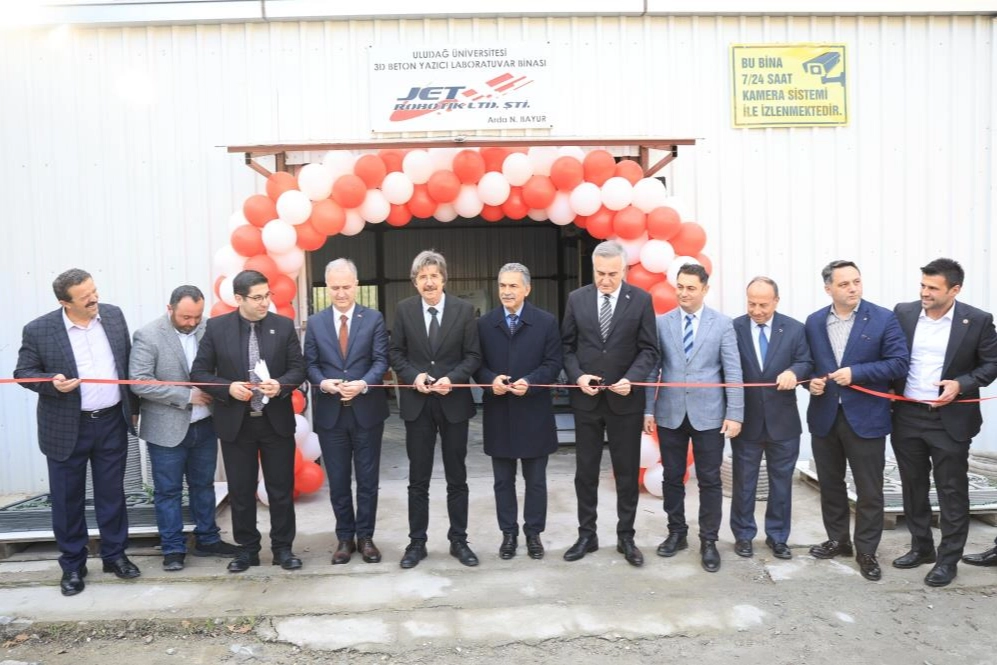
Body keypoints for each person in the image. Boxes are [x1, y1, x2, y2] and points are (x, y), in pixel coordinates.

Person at [14, 268, 141, 596]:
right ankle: (72, 565)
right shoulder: (39, 330)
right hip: (66, 427)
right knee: (67, 500)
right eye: (86, 297)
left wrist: (134, 409)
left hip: (111, 422)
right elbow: (24, 372)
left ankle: (115, 555)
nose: (95, 299)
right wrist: (52, 383)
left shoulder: (113, 316)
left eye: (94, 291)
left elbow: (125, 363)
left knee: (112, 494)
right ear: (65, 303)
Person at [190, 269, 306, 573]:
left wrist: (280, 384)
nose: (265, 302)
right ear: (238, 299)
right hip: (237, 423)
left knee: (280, 489)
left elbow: (298, 369)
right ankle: (247, 550)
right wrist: (227, 388)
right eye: (257, 298)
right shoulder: (217, 328)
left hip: (275, 421)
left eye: (267, 295)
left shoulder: (282, 326)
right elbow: (199, 373)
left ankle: (283, 549)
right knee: (241, 491)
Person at [891, 258, 997, 587]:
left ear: (955, 290)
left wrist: (961, 384)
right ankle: (921, 547)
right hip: (907, 415)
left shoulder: (977, 321)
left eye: (933, 288)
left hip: (950, 419)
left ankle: (947, 559)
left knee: (951, 490)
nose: (924, 292)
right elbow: (891, 355)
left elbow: (992, 364)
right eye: (923, 285)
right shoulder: (904, 313)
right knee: (913, 486)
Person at [805, 260, 908, 581]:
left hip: (866, 417)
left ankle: (866, 550)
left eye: (856, 281)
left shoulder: (883, 318)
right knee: (830, 484)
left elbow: (899, 363)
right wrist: (811, 383)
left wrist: (856, 373)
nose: (853, 288)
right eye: (844, 284)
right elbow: (808, 364)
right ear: (828, 289)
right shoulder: (814, 322)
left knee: (869, 488)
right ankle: (838, 540)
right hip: (825, 415)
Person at [129, 285, 239, 572]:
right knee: (168, 491)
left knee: (204, 486)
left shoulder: (210, 329)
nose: (192, 322)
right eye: (185, 317)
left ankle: (208, 540)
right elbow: (139, 381)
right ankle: (173, 549)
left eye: (197, 316)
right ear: (170, 309)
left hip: (205, 425)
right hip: (166, 430)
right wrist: (186, 396)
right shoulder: (148, 335)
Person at [562, 240, 658, 567]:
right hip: (587, 401)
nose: (605, 280)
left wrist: (632, 378)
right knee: (586, 472)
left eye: (612, 274)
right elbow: (566, 347)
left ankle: (626, 537)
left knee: (627, 472)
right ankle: (586, 535)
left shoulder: (641, 300)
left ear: (624, 270)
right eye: (600, 273)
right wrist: (578, 376)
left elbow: (650, 350)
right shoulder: (577, 299)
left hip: (625, 400)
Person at [644, 263, 743, 573]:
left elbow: (733, 372)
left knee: (710, 480)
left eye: (690, 288)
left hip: (709, 415)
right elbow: (653, 370)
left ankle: (709, 540)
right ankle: (677, 533)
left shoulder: (722, 325)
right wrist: (648, 409)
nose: (683, 293)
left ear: (704, 289)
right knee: (672, 477)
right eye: (680, 286)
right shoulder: (662, 323)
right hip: (670, 413)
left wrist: (735, 414)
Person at [389, 250, 482, 569]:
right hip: (418, 406)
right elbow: (396, 353)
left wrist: (452, 379)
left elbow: (473, 355)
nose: (429, 282)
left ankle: (459, 540)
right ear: (414, 282)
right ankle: (417, 542)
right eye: (422, 277)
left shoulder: (463, 310)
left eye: (434, 276)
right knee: (418, 478)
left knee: (457, 477)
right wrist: (413, 376)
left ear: (444, 279)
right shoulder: (404, 310)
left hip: (453, 404)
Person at [474, 263, 563, 560]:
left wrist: (531, 382)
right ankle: (508, 534)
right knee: (503, 481)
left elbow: (553, 363)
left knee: (535, 481)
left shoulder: (546, 322)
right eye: (502, 285)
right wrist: (490, 381)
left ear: (527, 289)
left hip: (534, 413)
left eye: (513, 286)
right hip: (499, 413)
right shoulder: (485, 324)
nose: (507, 291)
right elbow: (476, 364)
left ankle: (534, 534)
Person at [304, 259, 389, 566]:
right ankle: (344, 538)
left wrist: (363, 384)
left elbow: (381, 360)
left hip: (367, 413)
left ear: (356, 285)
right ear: (327, 288)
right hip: (331, 416)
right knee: (338, 481)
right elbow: (309, 364)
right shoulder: (316, 323)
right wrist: (322, 383)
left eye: (346, 287)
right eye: (335, 288)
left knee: (367, 480)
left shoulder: (374, 319)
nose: (341, 293)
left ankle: (365, 538)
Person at [730, 277, 812, 560]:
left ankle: (777, 537)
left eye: (763, 304)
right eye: (751, 303)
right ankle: (743, 535)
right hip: (747, 420)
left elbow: (806, 362)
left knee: (781, 484)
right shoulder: (734, 328)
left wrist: (794, 372)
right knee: (744, 482)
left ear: (776, 301)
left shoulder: (794, 329)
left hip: (783, 422)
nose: (757, 310)